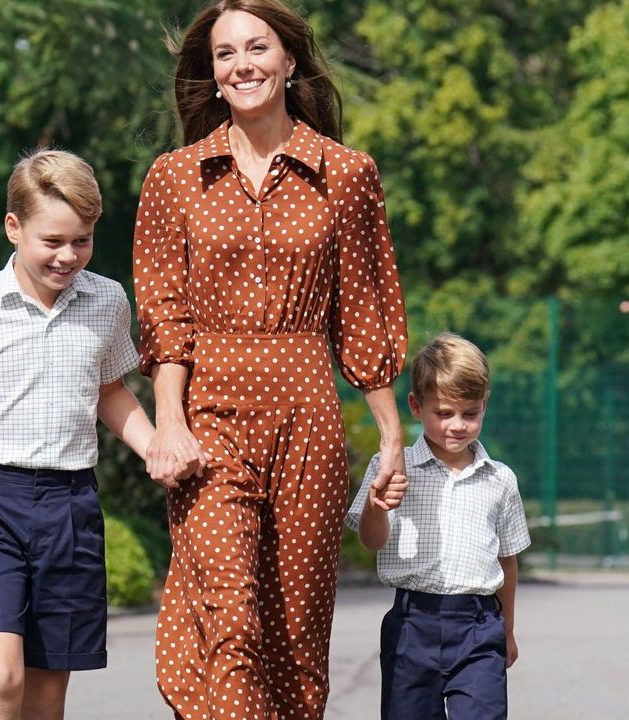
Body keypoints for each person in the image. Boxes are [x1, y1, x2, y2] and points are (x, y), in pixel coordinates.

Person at [132, 1, 409, 717]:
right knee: (229, 621)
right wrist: (169, 422)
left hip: (308, 423)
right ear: (212, 74)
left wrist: (389, 436)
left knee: (293, 633)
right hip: (209, 423)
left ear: (289, 62)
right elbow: (166, 322)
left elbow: (365, 311)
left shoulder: (346, 176)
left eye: (257, 48)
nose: (242, 64)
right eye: (225, 54)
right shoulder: (174, 177)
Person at [0, 149, 169, 720]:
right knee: (3, 677)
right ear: (13, 227)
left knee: (47, 693)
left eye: (81, 240)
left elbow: (111, 391)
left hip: (70, 507)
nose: (67, 256)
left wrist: (154, 444)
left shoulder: (105, 301)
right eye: (51, 240)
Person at [345, 331, 530, 720]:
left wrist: (507, 631)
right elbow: (372, 541)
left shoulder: (500, 480)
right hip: (412, 626)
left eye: (471, 412)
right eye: (444, 412)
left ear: (484, 406)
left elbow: (507, 563)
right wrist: (378, 507)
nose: (458, 425)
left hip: (479, 628)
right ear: (416, 405)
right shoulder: (392, 469)